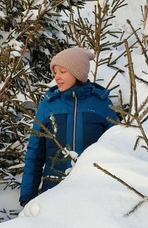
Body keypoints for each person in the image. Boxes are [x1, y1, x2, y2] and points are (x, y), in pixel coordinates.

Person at [19, 47, 117, 206]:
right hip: (52, 192)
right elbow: (35, 154)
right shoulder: (48, 106)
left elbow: (116, 151)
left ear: (78, 73)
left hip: (93, 193)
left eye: (62, 72)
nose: (57, 77)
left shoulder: (102, 104)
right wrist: (27, 197)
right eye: (55, 72)